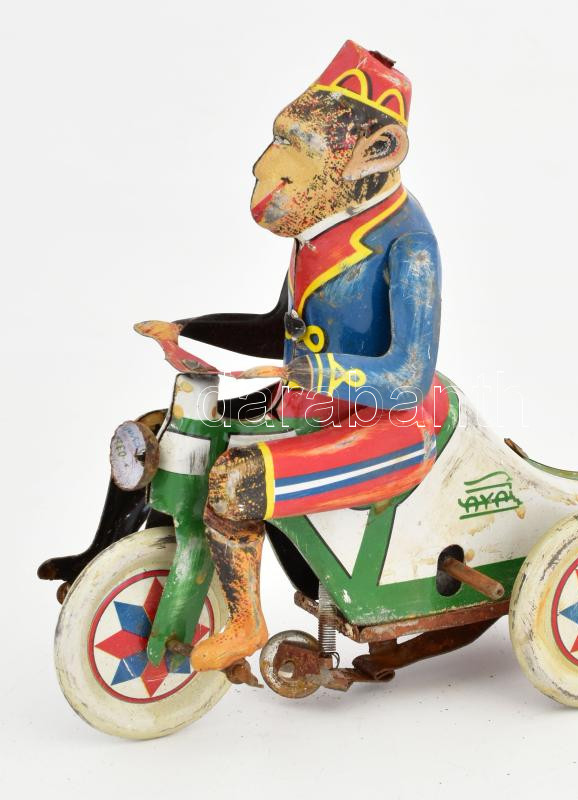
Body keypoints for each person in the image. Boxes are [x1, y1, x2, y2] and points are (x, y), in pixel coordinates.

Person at [134, 41, 446, 671]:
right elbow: (280, 328)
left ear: (376, 152)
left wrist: (301, 370)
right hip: (307, 402)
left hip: (390, 425)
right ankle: (106, 555)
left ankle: (245, 622)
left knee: (234, 483)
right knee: (162, 435)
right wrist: (189, 328)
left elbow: (409, 380)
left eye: (296, 146)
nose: (265, 165)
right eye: (279, 138)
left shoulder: (410, 245)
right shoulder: (319, 231)